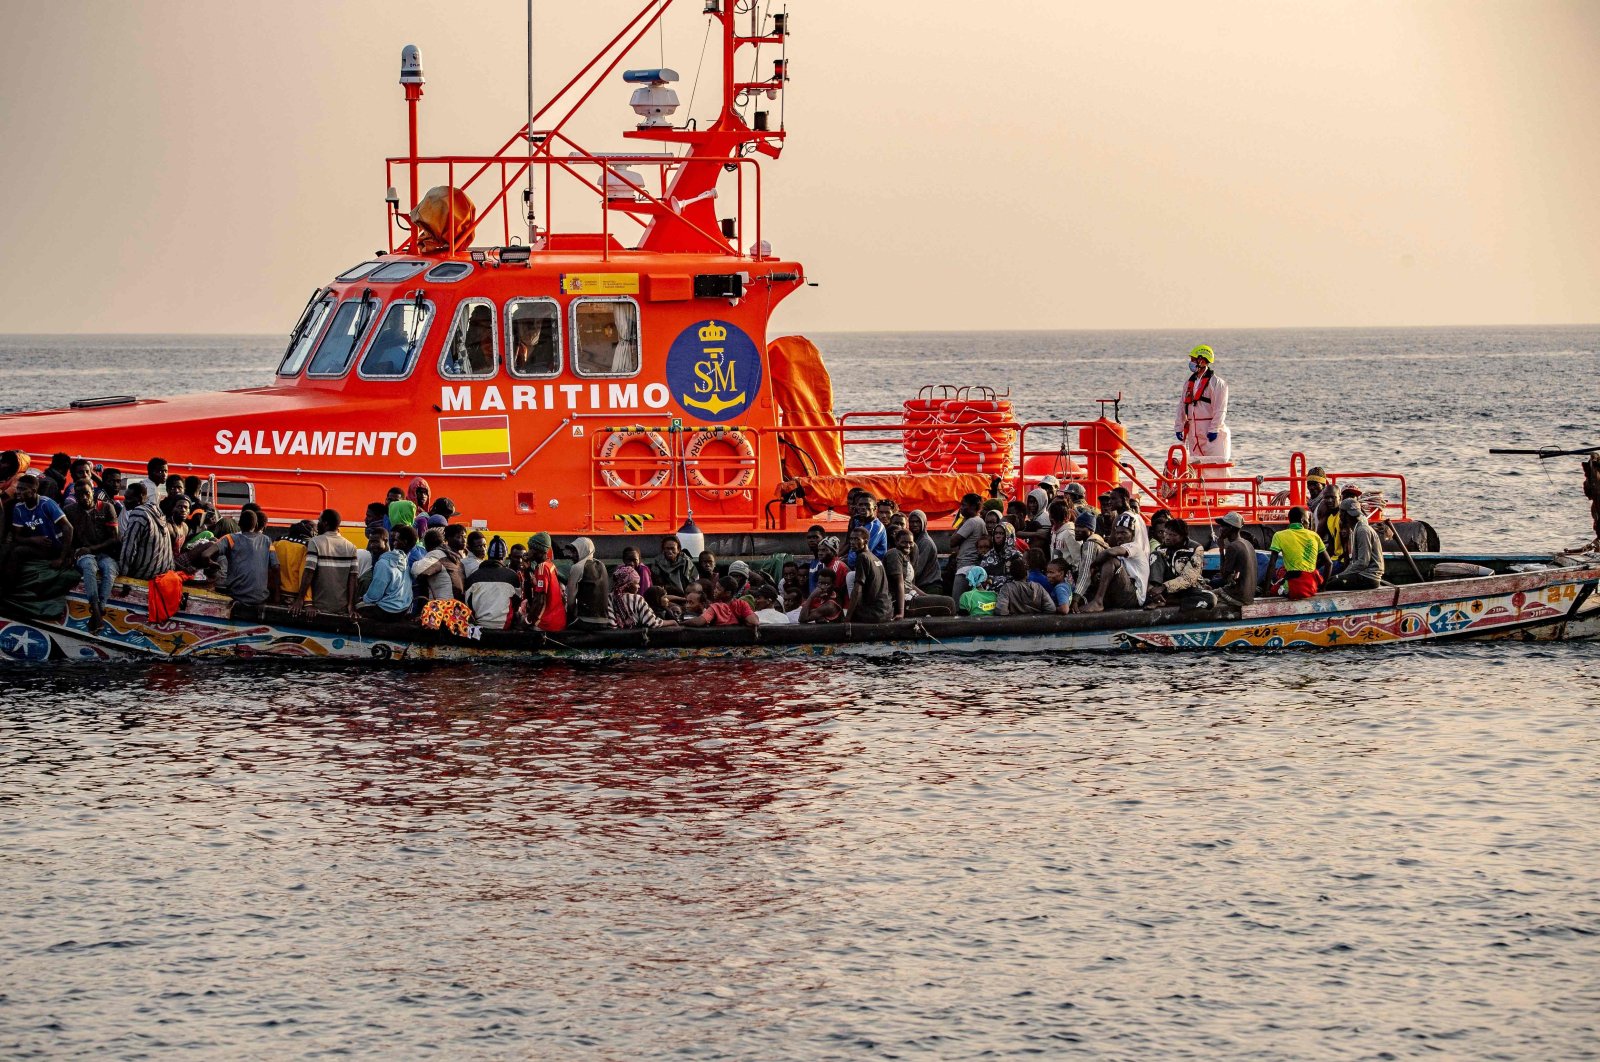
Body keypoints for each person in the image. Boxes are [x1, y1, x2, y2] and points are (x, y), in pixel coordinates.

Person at [65, 464, 121, 632]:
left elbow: (114, 538)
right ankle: (96, 609)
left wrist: (92, 548)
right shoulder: (69, 510)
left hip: (101, 552)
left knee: (110, 569)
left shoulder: (106, 507)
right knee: (89, 566)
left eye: (87, 493)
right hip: (82, 552)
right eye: (79, 494)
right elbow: (67, 538)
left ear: (93, 492)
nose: (83, 497)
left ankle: (99, 608)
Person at [1174, 343, 1231, 483]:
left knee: (1216, 466)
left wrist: (1213, 429)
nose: (1191, 363)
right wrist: (1179, 426)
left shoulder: (1217, 384)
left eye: (1194, 359)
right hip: (1194, 430)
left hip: (1211, 430)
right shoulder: (1189, 383)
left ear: (1202, 360)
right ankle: (1197, 496)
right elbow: (1182, 405)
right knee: (1195, 466)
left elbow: (1220, 409)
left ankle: (1218, 497)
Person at [216, 509, 277, 617]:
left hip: (236, 596)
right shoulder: (267, 540)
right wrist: (277, 594)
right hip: (260, 598)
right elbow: (275, 566)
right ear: (257, 525)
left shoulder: (230, 538)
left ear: (239, 524)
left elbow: (209, 553)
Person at [298, 509, 359, 616]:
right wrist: (351, 605)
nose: (317, 524)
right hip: (341, 607)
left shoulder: (315, 542)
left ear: (325, 523)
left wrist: (300, 599)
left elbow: (309, 572)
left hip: (319, 606)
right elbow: (353, 578)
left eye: (319, 521)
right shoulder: (351, 547)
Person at [1079, 522, 1144, 613]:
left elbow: (1109, 552)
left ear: (1132, 534)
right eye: (1117, 533)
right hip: (1122, 594)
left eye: (1123, 533)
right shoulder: (1122, 549)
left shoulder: (1135, 546)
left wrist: (1093, 565)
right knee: (1102, 570)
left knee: (1111, 561)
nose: (1119, 536)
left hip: (1133, 597)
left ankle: (1098, 602)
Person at [1145, 517, 1208, 609]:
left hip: (1187, 589)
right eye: (1166, 533)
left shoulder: (1195, 548)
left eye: (1172, 535)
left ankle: (1171, 601)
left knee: (1210, 599)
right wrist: (1155, 589)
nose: (1167, 537)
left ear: (1182, 536)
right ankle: (1158, 598)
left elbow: (1189, 578)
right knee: (1155, 555)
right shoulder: (1160, 549)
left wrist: (1163, 587)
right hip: (1165, 590)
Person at [1325, 498, 1386, 591]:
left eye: (1341, 512)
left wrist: (1341, 575)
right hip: (1363, 574)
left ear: (1344, 514)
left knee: (1329, 584)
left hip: (1368, 577)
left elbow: (1363, 562)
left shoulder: (1362, 531)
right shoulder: (1356, 529)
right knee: (1331, 579)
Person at [1269, 506, 1329, 600]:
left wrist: (1265, 591)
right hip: (1312, 587)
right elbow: (1329, 563)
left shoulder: (1279, 535)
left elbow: (1271, 564)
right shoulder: (1314, 535)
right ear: (1302, 520)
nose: (1308, 523)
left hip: (1294, 588)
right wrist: (1323, 587)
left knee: (1273, 587)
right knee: (1282, 570)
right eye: (1307, 520)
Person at [464, 536, 522, 630]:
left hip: (479, 627)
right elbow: (517, 603)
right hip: (504, 627)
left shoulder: (473, 576)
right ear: (505, 555)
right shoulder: (512, 576)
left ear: (488, 553)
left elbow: (468, 606)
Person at [118, 487, 176, 581]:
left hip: (146, 575)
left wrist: (124, 576)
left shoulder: (138, 513)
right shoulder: (156, 510)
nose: (125, 502)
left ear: (140, 498)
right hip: (164, 573)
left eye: (128, 498)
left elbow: (129, 548)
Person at [359, 523, 415, 619]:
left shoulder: (383, 563)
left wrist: (363, 599)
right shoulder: (404, 559)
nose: (372, 545)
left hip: (388, 611)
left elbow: (374, 595)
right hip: (404, 608)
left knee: (357, 606)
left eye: (396, 540)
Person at [846, 526, 895, 623]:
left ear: (866, 541)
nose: (852, 542)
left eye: (856, 539)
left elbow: (857, 590)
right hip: (887, 612)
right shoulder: (875, 558)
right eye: (851, 539)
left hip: (875, 614)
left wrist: (848, 617)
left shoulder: (862, 557)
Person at [1212, 512, 1258, 606]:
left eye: (1223, 526)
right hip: (1249, 595)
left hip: (1239, 597)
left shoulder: (1233, 546)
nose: (1220, 529)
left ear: (1231, 528)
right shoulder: (1247, 543)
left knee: (1207, 596)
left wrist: (1221, 549)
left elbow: (1224, 575)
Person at [608, 565, 674, 629]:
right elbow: (652, 622)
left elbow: (612, 624)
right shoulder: (637, 599)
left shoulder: (609, 597)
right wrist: (673, 622)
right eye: (637, 583)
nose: (639, 587)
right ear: (628, 584)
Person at [410, 527, 461, 604]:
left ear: (426, 545)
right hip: (455, 604)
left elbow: (416, 570)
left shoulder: (436, 555)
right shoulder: (449, 554)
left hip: (442, 606)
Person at [684, 575, 759, 627]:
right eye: (715, 588)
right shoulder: (742, 604)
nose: (715, 591)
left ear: (728, 593)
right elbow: (753, 622)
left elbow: (699, 622)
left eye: (718, 589)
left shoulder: (716, 607)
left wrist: (681, 623)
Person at [649, 536, 696, 601]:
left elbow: (693, 581)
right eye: (667, 549)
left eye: (672, 549)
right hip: (666, 597)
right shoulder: (657, 563)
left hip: (686, 596)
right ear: (663, 550)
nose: (670, 551)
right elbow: (658, 586)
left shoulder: (686, 561)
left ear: (678, 549)